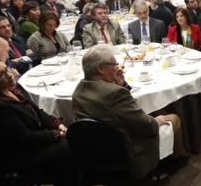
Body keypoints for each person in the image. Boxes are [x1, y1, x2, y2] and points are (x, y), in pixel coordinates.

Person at [0, 59, 74, 186]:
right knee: (69, 147)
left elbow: (38, 111)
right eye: (1, 75)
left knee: (71, 140)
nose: (10, 75)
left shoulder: (10, 91)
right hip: (15, 156)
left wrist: (57, 124)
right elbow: (25, 138)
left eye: (7, 69)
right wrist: (57, 135)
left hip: (27, 143)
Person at [72, 45, 186, 177]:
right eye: (114, 64)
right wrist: (156, 121)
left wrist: (122, 85)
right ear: (101, 69)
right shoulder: (115, 94)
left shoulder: (77, 92)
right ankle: (173, 163)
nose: (117, 67)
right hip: (126, 151)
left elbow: (116, 113)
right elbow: (145, 125)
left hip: (94, 151)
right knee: (172, 119)